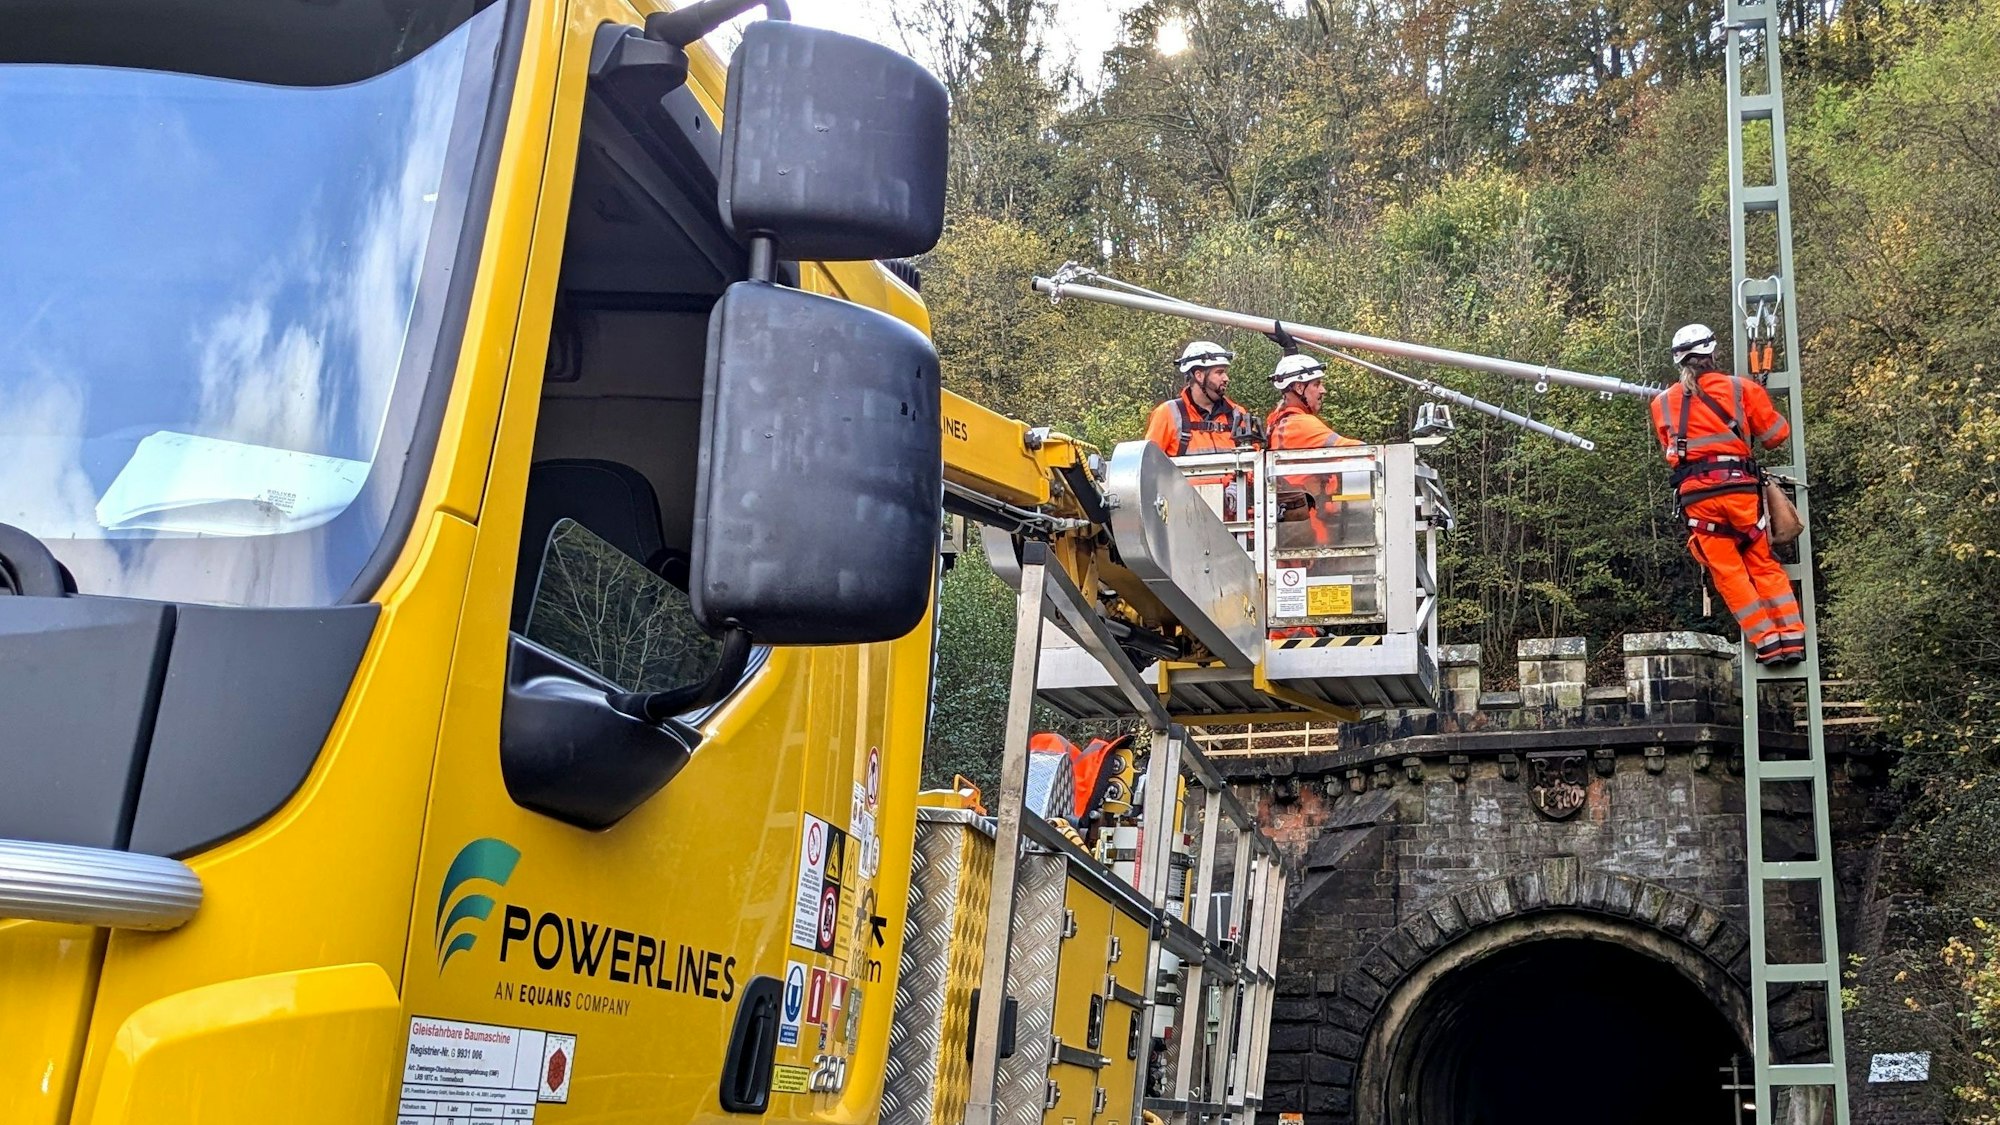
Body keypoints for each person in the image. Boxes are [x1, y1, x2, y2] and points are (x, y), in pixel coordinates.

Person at [1650, 323, 1804, 665]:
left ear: (1679, 361)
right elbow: (1776, 435)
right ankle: (1792, 640)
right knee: (1762, 563)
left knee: (1730, 575)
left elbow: (1672, 449)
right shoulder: (1740, 389)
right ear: (1713, 353)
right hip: (1740, 493)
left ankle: (1767, 644)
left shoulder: (1661, 404)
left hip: (1698, 503)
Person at [1144, 341, 1261, 459]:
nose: (1226, 378)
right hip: (1181, 478)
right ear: (1199, 376)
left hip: (1234, 479)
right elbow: (1150, 464)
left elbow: (1254, 464)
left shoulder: (1238, 414)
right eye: (1219, 372)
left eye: (1225, 372)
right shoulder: (1167, 414)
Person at [1264, 354, 1363, 451]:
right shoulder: (1300, 424)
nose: (1323, 390)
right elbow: (1357, 450)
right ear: (1299, 388)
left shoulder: (1278, 421)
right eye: (1316, 384)